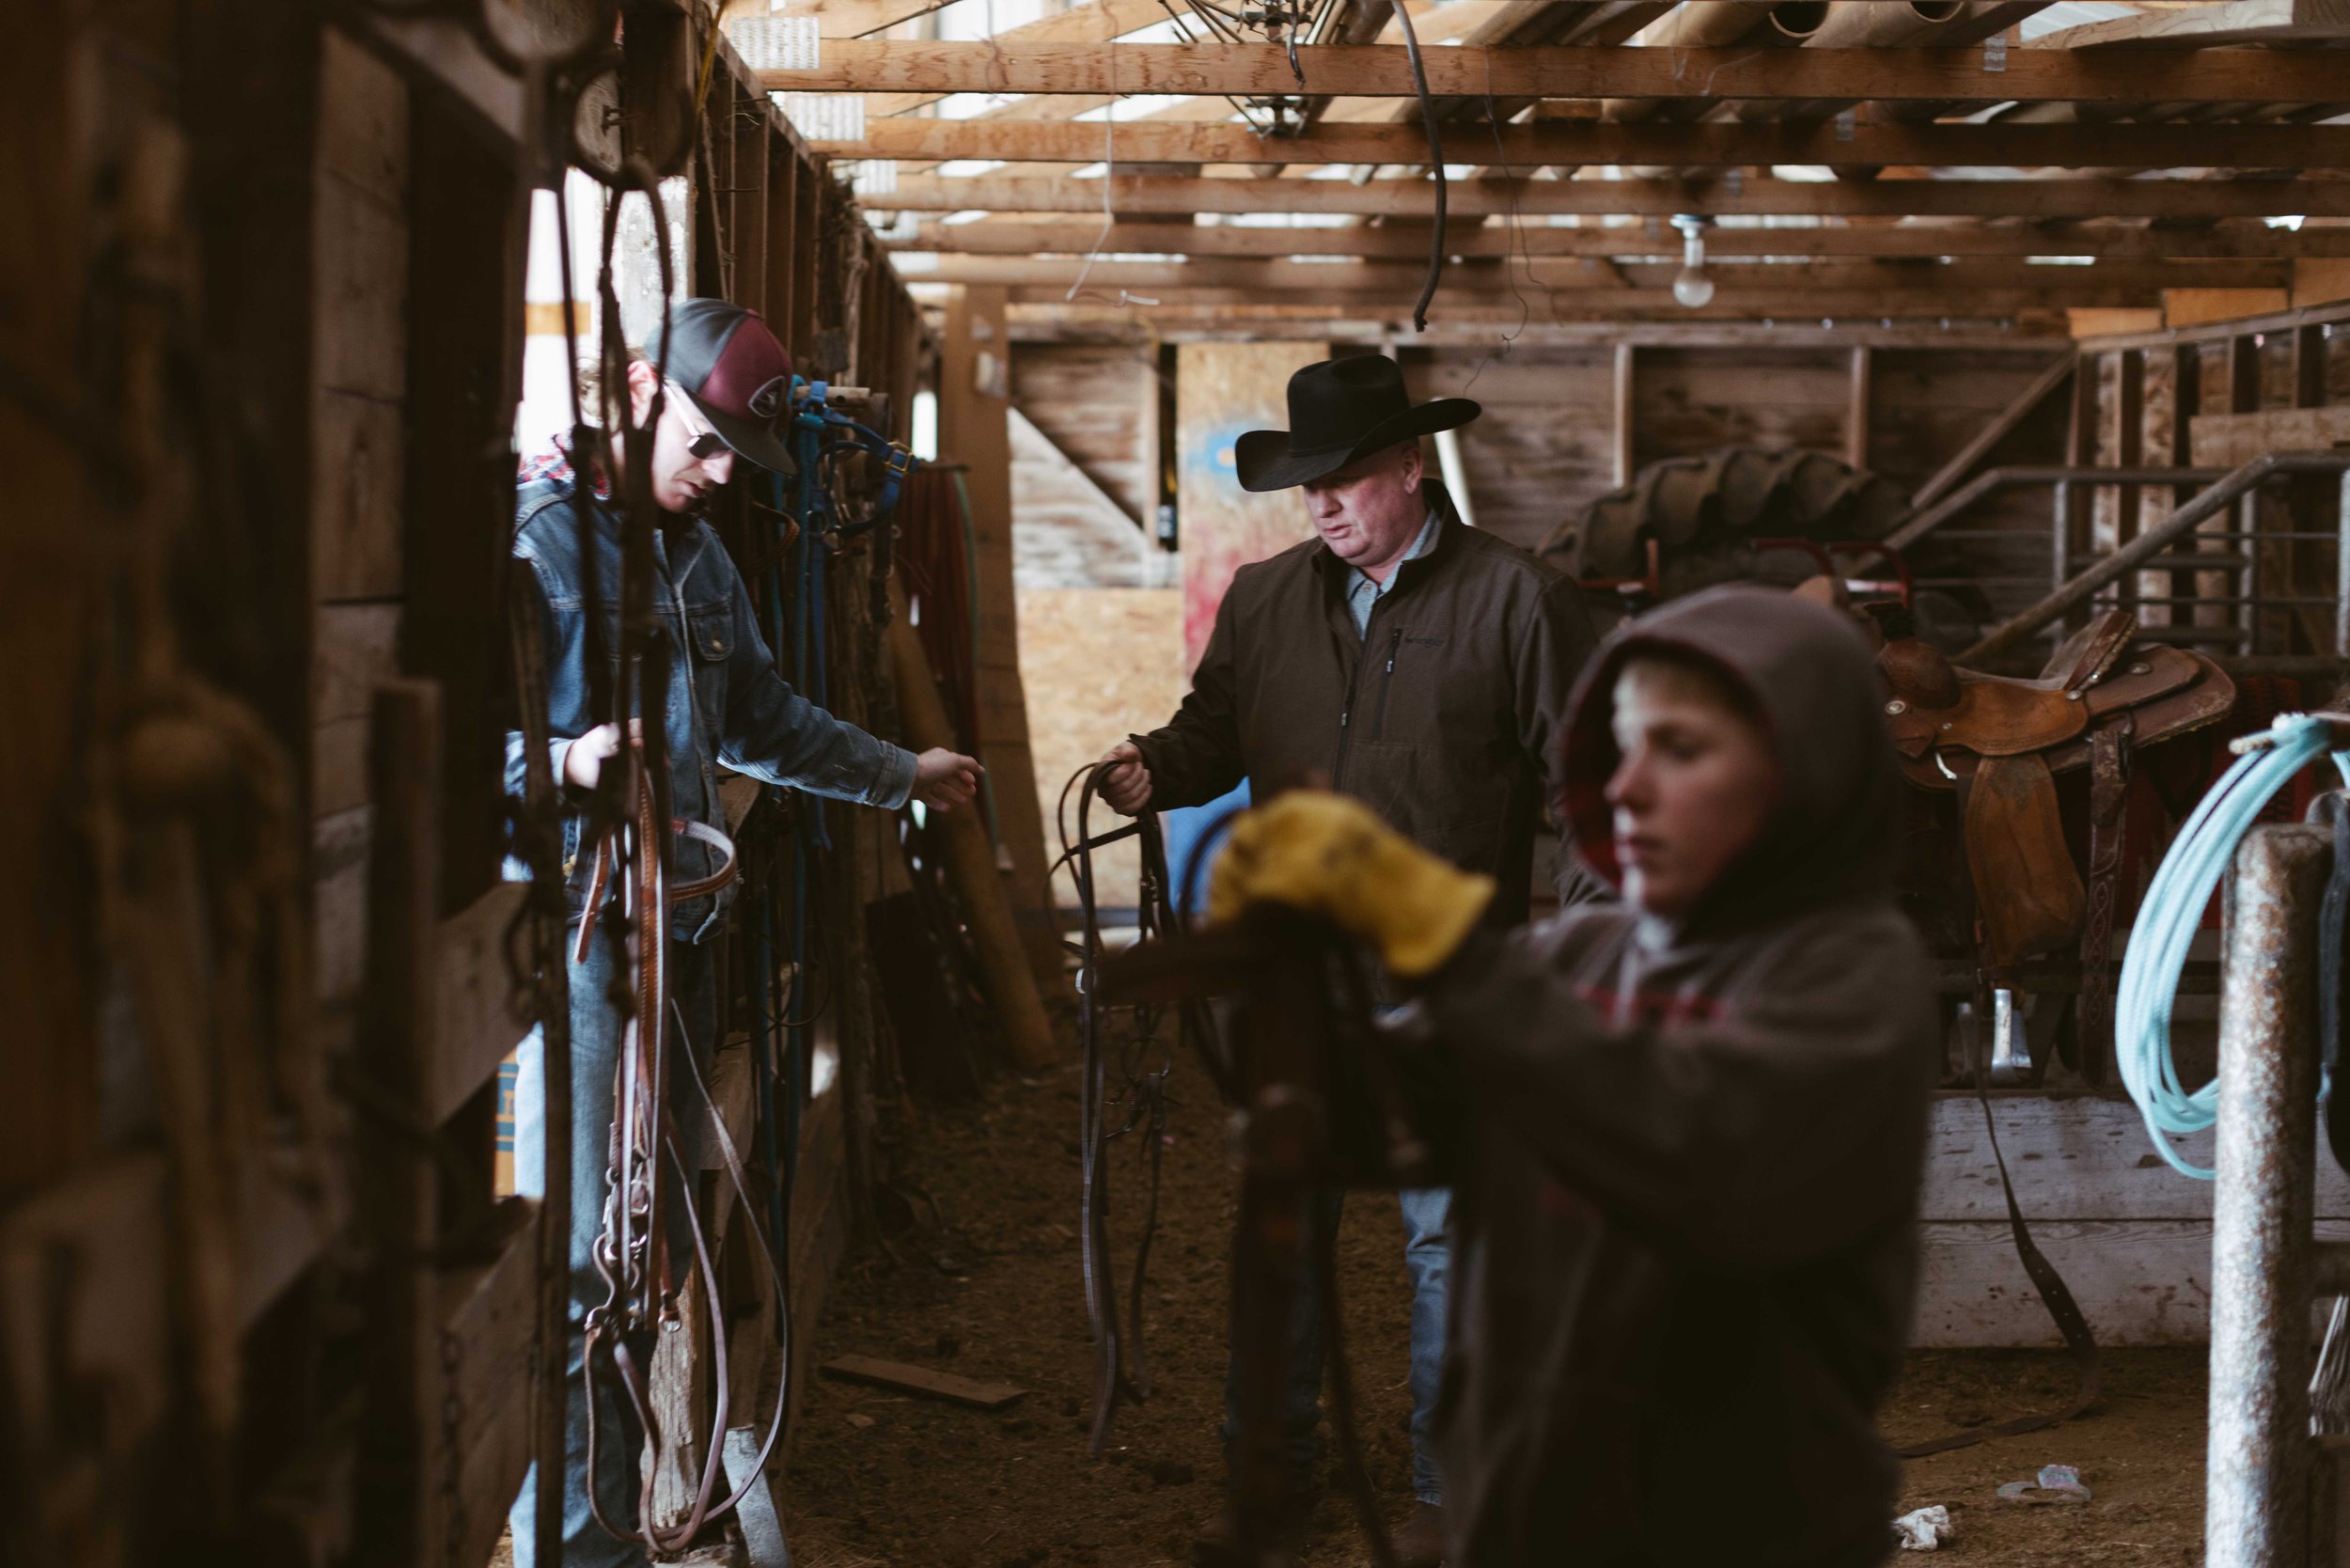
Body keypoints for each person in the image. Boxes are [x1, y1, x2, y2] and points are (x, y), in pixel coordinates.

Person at [1208, 586, 1940, 1567]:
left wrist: (1451, 947)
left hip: (1742, 1531)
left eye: (1680, 751)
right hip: (1532, 1514)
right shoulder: (1580, 953)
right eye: (1622, 745)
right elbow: (1403, 1117)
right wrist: (1290, 1012)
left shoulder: (1853, 976)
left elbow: (1687, 1147)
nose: (1625, 787)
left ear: (1799, 771)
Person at [1095, 353, 1602, 1562]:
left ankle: (1449, 1482)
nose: (1320, 506)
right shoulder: (1268, 598)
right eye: (1306, 485)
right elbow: (1212, 732)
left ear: (1410, 469)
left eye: (1345, 480)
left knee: (1448, 1242)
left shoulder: (1517, 600)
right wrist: (1151, 769)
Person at [504, 298, 982, 1568]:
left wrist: (899, 770)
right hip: (583, 948)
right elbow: (460, 754)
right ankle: (573, 1548)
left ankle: (634, 1512)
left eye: (733, 457)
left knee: (651, 1249)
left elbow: (761, 714)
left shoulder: (694, 555)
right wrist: (570, 755)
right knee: (575, 1257)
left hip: (684, 942)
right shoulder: (541, 545)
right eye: (708, 444)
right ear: (647, 384)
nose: (719, 475)